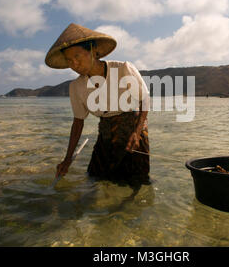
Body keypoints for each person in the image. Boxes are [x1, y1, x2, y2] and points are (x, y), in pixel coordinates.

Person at [44, 23, 151, 186]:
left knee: (136, 179)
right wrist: (67, 159)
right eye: (69, 60)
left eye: (77, 56)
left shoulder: (123, 69)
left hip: (134, 125)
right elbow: (78, 122)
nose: (74, 64)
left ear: (93, 50)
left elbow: (145, 99)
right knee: (97, 176)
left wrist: (137, 132)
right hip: (106, 129)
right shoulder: (76, 87)